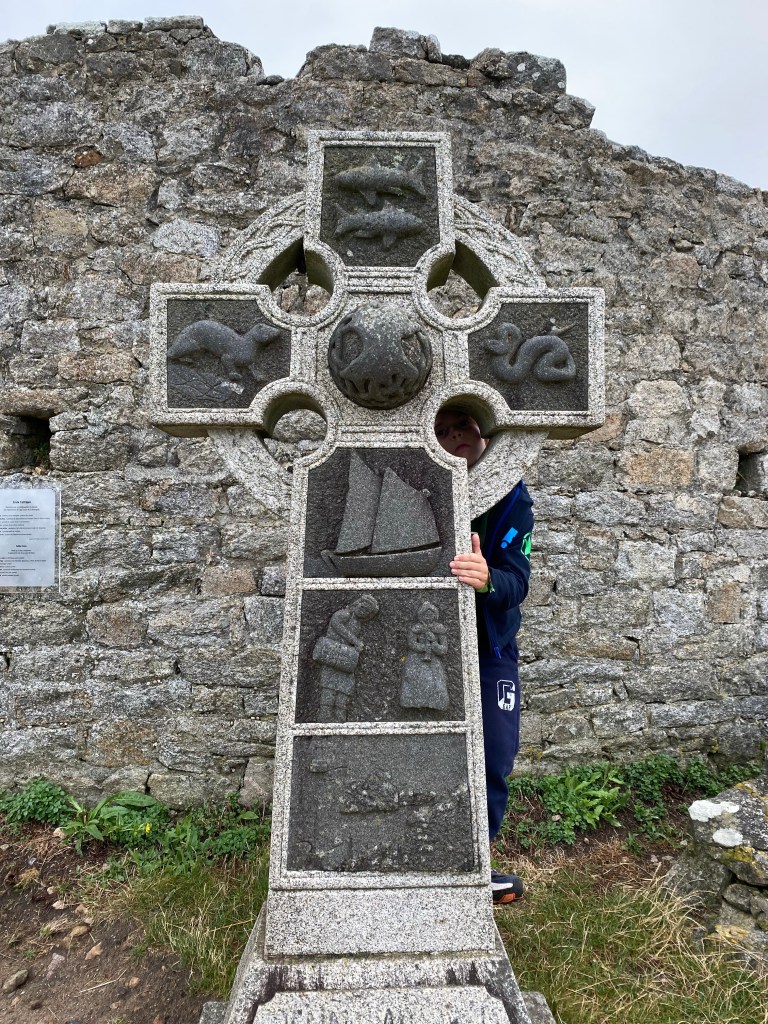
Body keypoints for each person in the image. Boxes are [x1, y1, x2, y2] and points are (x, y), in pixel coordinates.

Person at [434, 408, 534, 905]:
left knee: (495, 752)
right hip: (430, 648)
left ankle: (477, 864)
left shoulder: (512, 497)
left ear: (485, 433)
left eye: (464, 426)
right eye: (442, 431)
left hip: (490, 647)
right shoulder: (421, 488)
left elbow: (518, 579)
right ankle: (428, 857)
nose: (455, 436)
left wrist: (488, 577)